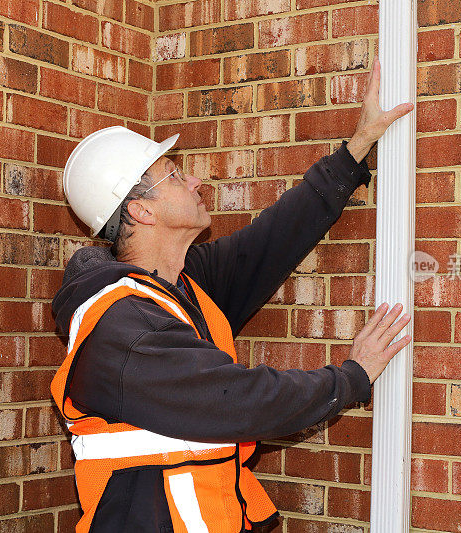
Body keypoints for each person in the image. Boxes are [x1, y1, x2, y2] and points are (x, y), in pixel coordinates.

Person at [50, 59, 413, 533]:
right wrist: (351, 377)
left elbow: (272, 240)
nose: (194, 181)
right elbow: (242, 399)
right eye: (176, 176)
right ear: (140, 210)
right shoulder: (122, 328)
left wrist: (356, 150)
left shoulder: (183, 283)